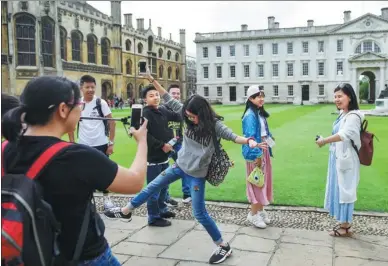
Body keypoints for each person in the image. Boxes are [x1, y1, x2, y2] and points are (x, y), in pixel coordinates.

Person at [104, 69, 267, 264]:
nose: (189, 119)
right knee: (152, 185)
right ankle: (125, 211)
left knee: (199, 213)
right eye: (187, 116)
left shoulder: (213, 125)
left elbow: (232, 135)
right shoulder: (185, 114)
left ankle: (224, 246)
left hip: (197, 174)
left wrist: (248, 141)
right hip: (180, 165)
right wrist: (152, 80)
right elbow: (166, 97)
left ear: (202, 113)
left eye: (193, 116)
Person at [1, 75, 148, 265]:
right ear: (63, 109)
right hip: (82, 256)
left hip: (29, 253)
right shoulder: (77, 156)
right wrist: (142, 141)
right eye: (78, 102)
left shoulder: (5, 148)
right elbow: (135, 181)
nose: (81, 107)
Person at [316, 83, 364, 237]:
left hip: (346, 158)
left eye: (340, 96)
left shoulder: (354, 116)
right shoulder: (343, 114)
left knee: (346, 190)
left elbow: (344, 134)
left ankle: (346, 227)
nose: (337, 99)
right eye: (335, 96)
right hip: (338, 156)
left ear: (349, 97)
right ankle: (344, 222)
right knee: (340, 189)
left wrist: (324, 141)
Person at [68, 75, 117, 210]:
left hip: (101, 144)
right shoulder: (77, 104)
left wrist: (111, 143)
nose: (90, 89)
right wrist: (72, 143)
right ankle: (87, 202)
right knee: (84, 175)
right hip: (83, 144)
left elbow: (112, 123)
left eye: (92, 87)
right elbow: (71, 124)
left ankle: (107, 201)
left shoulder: (101, 103)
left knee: (104, 173)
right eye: (87, 87)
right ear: (81, 88)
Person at [138, 84, 182, 226]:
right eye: (151, 96)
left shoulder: (163, 110)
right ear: (145, 99)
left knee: (164, 186)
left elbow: (178, 116)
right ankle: (153, 217)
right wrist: (162, 145)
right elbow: (145, 136)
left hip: (164, 157)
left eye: (157, 95)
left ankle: (162, 209)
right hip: (153, 158)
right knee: (154, 188)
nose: (155, 98)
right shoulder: (145, 114)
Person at [242, 85, 274, 229]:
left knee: (262, 181)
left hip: (263, 149)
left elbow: (265, 133)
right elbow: (250, 138)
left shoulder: (259, 113)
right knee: (257, 182)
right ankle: (253, 214)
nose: (261, 99)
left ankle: (260, 210)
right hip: (256, 151)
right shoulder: (250, 115)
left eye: (262, 96)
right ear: (250, 99)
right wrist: (257, 156)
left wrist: (270, 144)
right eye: (258, 96)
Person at [164, 84, 192, 206]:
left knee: (184, 168)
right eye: (173, 93)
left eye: (178, 93)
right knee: (163, 171)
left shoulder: (182, 109)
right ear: (168, 95)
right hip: (165, 145)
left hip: (178, 143)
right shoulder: (162, 109)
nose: (176, 95)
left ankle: (187, 194)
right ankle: (165, 197)